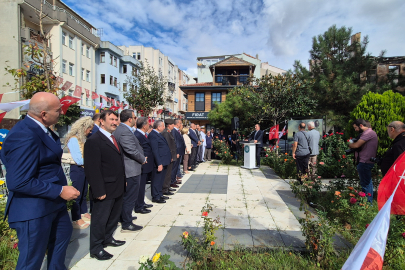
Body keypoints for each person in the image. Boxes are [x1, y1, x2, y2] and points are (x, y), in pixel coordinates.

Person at [1, 92, 80, 269]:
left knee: (61, 240)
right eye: (58, 110)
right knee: (31, 261)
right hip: (33, 210)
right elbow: (18, 181)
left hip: (52, 205)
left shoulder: (40, 129)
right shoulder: (24, 134)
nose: (62, 113)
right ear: (43, 114)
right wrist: (60, 190)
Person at [84, 110, 126, 260]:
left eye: (116, 120)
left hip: (117, 186)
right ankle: (96, 248)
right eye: (112, 119)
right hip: (104, 188)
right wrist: (98, 189)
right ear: (102, 121)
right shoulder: (94, 140)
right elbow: (92, 168)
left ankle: (108, 238)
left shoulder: (113, 138)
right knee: (100, 219)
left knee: (113, 216)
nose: (115, 122)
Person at [113, 110, 147, 232]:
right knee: (130, 197)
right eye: (134, 117)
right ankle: (127, 223)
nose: (135, 119)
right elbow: (131, 150)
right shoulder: (124, 131)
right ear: (129, 119)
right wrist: (142, 159)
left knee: (127, 196)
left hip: (129, 168)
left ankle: (125, 216)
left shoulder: (122, 129)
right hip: (130, 169)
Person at [66, 116, 94, 230]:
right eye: (89, 130)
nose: (90, 132)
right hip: (77, 169)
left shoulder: (83, 139)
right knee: (77, 194)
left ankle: (83, 212)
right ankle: (75, 218)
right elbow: (78, 159)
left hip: (84, 168)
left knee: (83, 192)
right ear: (84, 127)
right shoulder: (73, 139)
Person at [348, 119, 378, 203]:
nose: (355, 130)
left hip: (365, 162)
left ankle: (368, 203)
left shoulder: (369, 133)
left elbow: (356, 145)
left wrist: (350, 145)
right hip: (363, 161)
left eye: (356, 128)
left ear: (361, 125)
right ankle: (367, 202)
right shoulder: (365, 134)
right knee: (366, 183)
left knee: (365, 184)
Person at [148, 120, 172, 203]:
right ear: (158, 127)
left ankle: (159, 193)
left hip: (164, 160)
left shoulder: (158, 134)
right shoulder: (153, 135)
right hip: (159, 161)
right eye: (162, 126)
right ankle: (155, 196)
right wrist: (159, 163)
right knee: (156, 180)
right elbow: (155, 150)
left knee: (161, 179)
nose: (164, 127)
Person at [134, 118, 154, 212]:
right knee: (140, 186)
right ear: (144, 126)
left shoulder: (144, 135)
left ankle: (141, 202)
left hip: (146, 164)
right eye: (148, 125)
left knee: (143, 186)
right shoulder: (137, 135)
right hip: (142, 164)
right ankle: (139, 206)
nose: (149, 126)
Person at [161, 119, 177, 195]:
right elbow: (168, 146)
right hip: (169, 156)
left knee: (169, 173)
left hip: (171, 155)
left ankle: (167, 186)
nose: (174, 125)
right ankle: (165, 189)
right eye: (173, 124)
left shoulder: (168, 132)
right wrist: (170, 156)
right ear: (169, 125)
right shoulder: (166, 133)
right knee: (167, 173)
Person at [173, 119, 186, 183]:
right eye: (180, 123)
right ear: (177, 124)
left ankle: (175, 178)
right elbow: (175, 142)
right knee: (175, 167)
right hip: (177, 152)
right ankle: (173, 180)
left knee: (177, 166)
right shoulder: (174, 131)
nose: (181, 125)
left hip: (180, 151)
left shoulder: (178, 131)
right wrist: (177, 152)